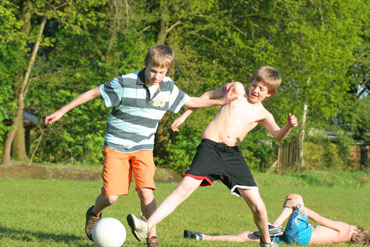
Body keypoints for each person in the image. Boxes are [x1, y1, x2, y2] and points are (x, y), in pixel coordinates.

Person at [44, 44, 235, 247]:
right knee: (111, 197)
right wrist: (62, 111)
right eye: (153, 70)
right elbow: (92, 93)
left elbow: (191, 101)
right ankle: (94, 212)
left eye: (162, 72)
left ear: (167, 70)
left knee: (146, 191)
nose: (156, 76)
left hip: (144, 147)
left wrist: (221, 102)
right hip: (117, 145)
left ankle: (151, 235)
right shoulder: (126, 82)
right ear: (146, 64)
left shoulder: (168, 87)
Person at [127, 66, 298, 247]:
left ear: (269, 94)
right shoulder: (237, 89)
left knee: (258, 207)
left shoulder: (263, 114)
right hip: (209, 150)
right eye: (254, 85)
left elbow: (278, 135)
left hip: (233, 157)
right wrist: (185, 115)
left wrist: (289, 126)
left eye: (261, 89)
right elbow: (208, 95)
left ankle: (266, 242)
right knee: (182, 190)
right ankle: (146, 225)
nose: (255, 90)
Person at [183, 193, 370, 245]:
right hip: (298, 239)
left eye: (357, 226)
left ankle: (274, 225)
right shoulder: (342, 240)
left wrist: (302, 208)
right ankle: (203, 237)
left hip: (300, 234)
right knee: (248, 236)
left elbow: (322, 220)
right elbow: (318, 233)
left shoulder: (346, 228)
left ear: (357, 231)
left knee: (295, 198)